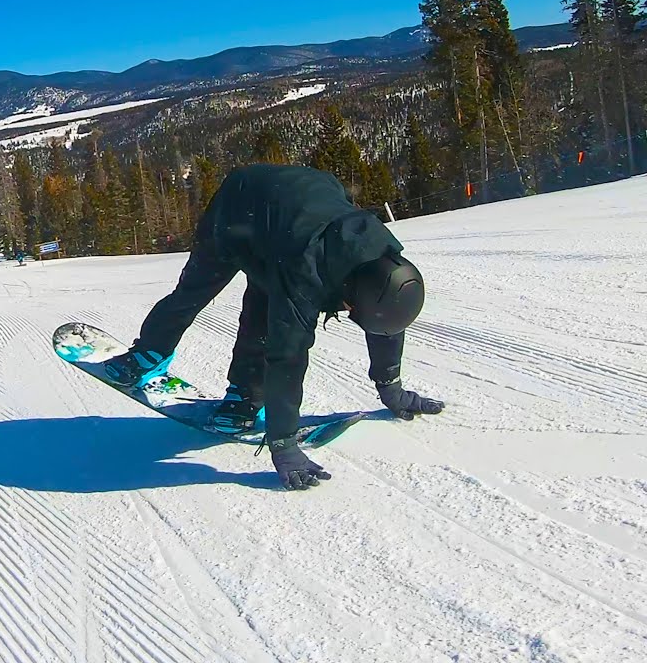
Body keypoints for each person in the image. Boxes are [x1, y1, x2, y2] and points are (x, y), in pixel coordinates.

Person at [105, 165, 444, 491]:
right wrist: (283, 444)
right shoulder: (305, 272)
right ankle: (150, 351)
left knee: (264, 304)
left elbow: (386, 319)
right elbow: (287, 355)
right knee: (194, 292)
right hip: (238, 207)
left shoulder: (386, 266)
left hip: (294, 214)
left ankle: (245, 394)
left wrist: (391, 387)